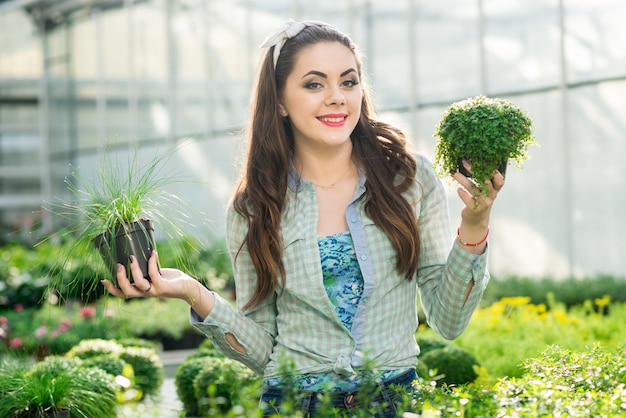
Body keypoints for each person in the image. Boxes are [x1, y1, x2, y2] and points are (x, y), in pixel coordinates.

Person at [102, 19, 505, 417]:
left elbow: (449, 321)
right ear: (279, 100)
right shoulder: (255, 207)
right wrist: (193, 292)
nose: (337, 97)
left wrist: (474, 223)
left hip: (393, 400)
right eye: (314, 84)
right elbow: (265, 353)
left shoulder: (409, 178)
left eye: (348, 82)